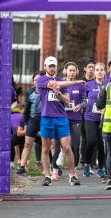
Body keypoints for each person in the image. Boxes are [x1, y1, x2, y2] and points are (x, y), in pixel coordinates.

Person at [36, 56, 84, 186]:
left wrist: (58, 93)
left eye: (54, 66)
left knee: (67, 147)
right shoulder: (41, 80)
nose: (52, 68)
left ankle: (72, 175)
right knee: (46, 148)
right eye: (49, 66)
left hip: (61, 118)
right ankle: (47, 176)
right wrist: (75, 82)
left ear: (57, 67)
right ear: (45, 67)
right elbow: (54, 85)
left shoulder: (62, 81)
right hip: (47, 118)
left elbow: (67, 100)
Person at [16, 71, 45, 175]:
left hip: (45, 119)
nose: (37, 82)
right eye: (35, 80)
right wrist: (27, 123)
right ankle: (22, 166)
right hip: (33, 119)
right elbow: (27, 110)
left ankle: (51, 167)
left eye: (39, 80)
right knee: (27, 144)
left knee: (47, 145)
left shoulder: (47, 91)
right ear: (33, 82)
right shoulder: (30, 92)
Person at [83, 62, 107, 178]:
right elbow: (84, 99)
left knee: (102, 144)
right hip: (90, 117)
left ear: (105, 72)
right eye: (97, 70)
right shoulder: (88, 85)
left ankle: (101, 167)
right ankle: (87, 164)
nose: (99, 72)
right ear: (94, 72)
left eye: (101, 70)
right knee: (91, 141)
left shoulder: (108, 85)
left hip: (104, 118)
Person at [64, 62, 87, 177]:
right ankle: (55, 168)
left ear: (77, 72)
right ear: (66, 71)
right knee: (60, 145)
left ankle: (74, 169)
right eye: (70, 70)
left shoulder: (81, 86)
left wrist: (80, 106)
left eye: (74, 70)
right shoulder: (61, 84)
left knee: (74, 145)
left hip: (76, 119)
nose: (72, 72)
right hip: (62, 118)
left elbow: (85, 101)